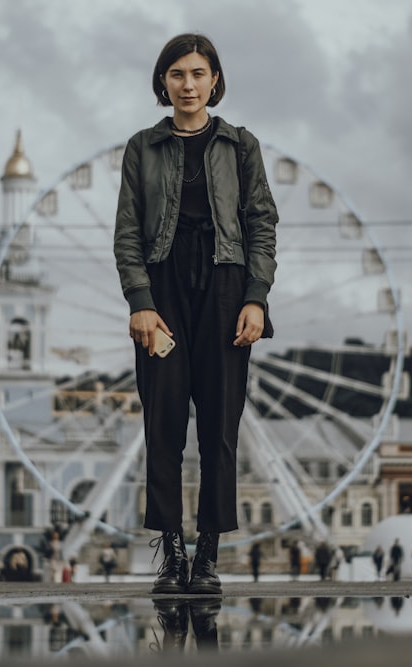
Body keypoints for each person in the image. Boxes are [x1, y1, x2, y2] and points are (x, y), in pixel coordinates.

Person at [113, 33, 278, 596]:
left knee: (219, 428)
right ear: (164, 81)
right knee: (162, 425)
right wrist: (141, 303)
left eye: (198, 73)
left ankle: (208, 555)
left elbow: (261, 223)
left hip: (225, 283)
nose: (188, 84)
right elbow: (128, 233)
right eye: (177, 73)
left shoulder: (241, 145)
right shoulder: (142, 147)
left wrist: (256, 296)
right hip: (163, 283)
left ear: (214, 81)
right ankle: (171, 554)